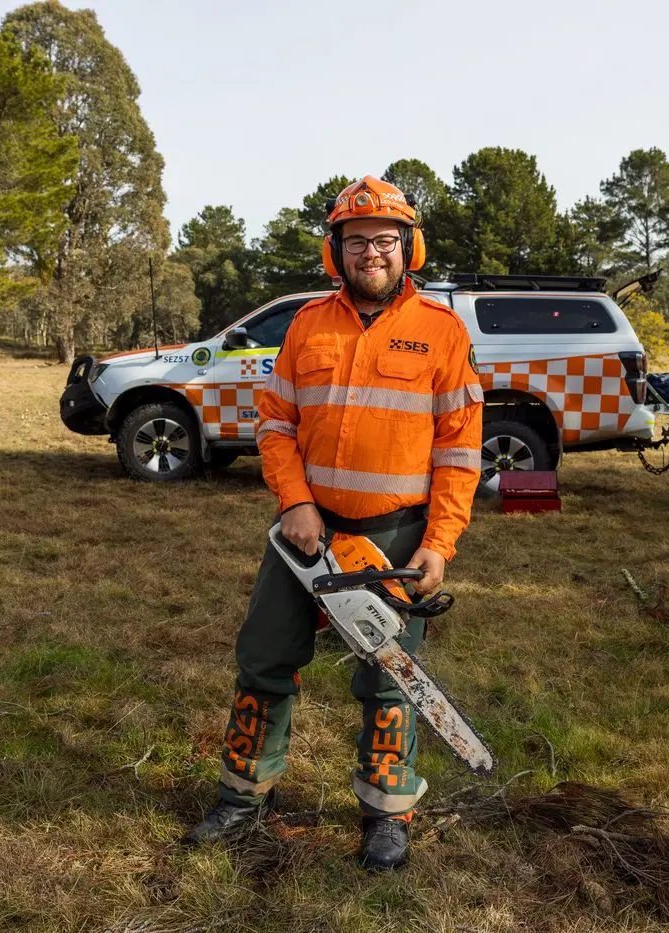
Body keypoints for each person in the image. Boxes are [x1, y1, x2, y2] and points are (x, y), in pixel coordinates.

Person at [181, 176, 483, 872]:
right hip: (304, 536)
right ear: (334, 250)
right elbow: (276, 424)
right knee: (263, 658)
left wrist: (438, 542)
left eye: (383, 240)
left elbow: (460, 452)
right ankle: (241, 794)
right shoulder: (307, 324)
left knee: (389, 675)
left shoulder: (441, 332)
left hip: (395, 537)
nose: (369, 253)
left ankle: (386, 810)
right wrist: (294, 501)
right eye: (355, 241)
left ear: (408, 246)